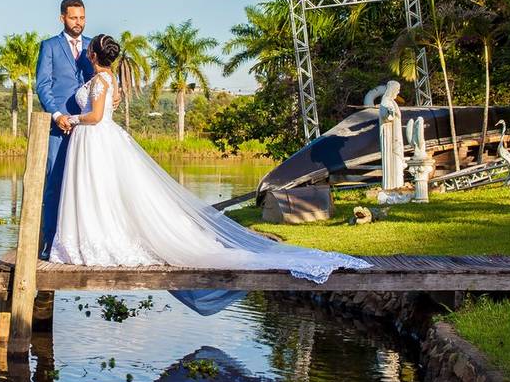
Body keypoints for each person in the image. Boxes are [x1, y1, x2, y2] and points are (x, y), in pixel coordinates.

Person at [48, 34, 371, 315]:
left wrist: (71, 120)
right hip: (94, 143)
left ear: (92, 55)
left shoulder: (103, 81)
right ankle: (93, 238)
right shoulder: (109, 80)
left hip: (95, 138)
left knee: (99, 190)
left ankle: (97, 242)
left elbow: (95, 115)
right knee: (98, 192)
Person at [35, 0, 95, 260]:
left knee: (86, 185)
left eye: (82, 18)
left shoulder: (92, 46)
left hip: (87, 128)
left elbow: (105, 76)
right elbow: (43, 85)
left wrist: (115, 93)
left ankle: (83, 244)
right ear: (62, 18)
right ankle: (50, 243)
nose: (78, 23)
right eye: (73, 18)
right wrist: (57, 115)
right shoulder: (49, 46)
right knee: (55, 184)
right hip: (58, 127)